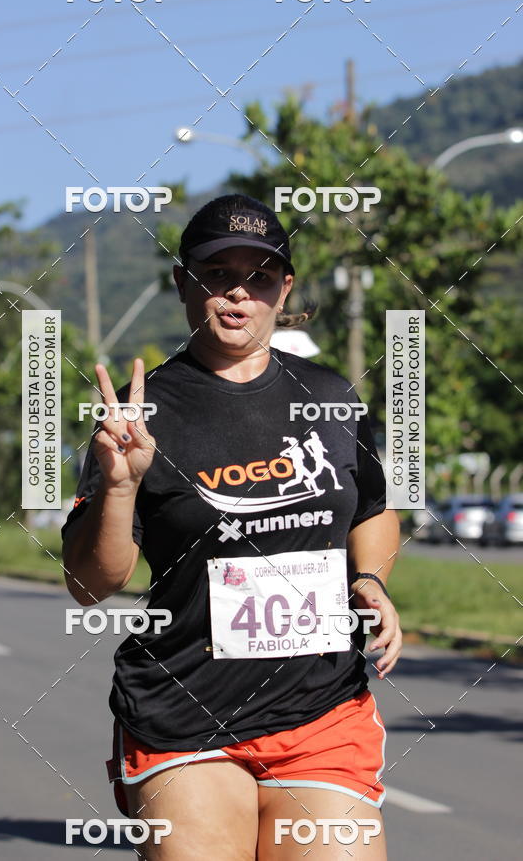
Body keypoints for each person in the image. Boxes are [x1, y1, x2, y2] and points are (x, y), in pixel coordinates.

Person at [62, 194, 402, 860]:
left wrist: (369, 578)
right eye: (217, 275)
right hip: (185, 715)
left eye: (260, 276)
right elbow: (88, 585)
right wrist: (122, 485)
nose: (239, 294)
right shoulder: (138, 419)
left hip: (321, 707)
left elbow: (372, 509)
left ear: (285, 288)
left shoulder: (330, 397)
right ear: (182, 283)